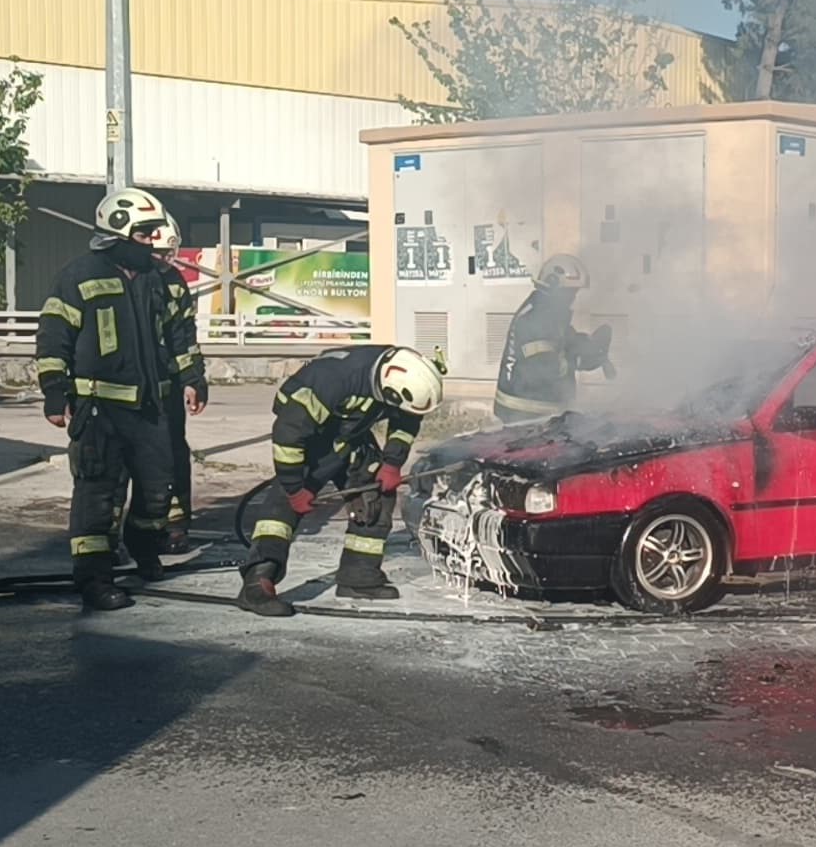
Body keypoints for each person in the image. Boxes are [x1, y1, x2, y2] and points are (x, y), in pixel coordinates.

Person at [34, 187, 179, 612]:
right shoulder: (79, 275)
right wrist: (54, 392)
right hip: (99, 411)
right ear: (119, 231)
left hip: (149, 409)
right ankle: (94, 577)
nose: (154, 241)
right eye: (146, 232)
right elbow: (53, 336)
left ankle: (143, 549)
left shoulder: (156, 280)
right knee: (98, 496)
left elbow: (176, 336)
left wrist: (192, 377)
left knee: (157, 491)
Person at [237, 345, 444, 618]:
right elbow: (288, 437)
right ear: (389, 388)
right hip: (311, 434)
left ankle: (359, 575)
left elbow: (407, 419)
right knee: (284, 506)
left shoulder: (403, 373)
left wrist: (392, 462)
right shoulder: (332, 380)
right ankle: (258, 581)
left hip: (351, 434)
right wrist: (294, 488)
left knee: (375, 493)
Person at [492, 254, 613, 425]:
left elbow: (565, 341)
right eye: (570, 292)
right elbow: (542, 369)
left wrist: (589, 346)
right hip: (526, 414)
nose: (573, 298)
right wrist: (577, 360)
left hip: (538, 412)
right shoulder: (536, 318)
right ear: (554, 287)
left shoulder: (549, 314)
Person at [153, 218, 208, 554]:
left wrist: (193, 380)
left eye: (170, 253)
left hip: (168, 386)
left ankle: (175, 525)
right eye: (160, 253)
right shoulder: (120, 279)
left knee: (173, 454)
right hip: (126, 388)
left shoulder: (173, 282)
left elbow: (184, 337)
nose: (166, 260)